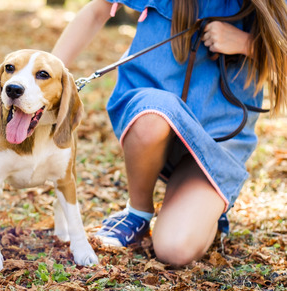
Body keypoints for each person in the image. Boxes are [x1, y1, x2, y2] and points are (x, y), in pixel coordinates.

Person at [52, 0, 287, 266]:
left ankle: (204, 207)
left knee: (175, 250)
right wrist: (44, 77)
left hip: (218, 140)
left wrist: (248, 44)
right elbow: (96, 11)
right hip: (152, 118)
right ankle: (137, 212)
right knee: (154, 113)